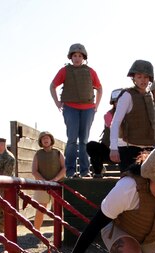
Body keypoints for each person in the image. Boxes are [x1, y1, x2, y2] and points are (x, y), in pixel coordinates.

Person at [49, 43, 103, 178]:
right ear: (71, 57)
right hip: (70, 108)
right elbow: (52, 86)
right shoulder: (65, 71)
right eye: (74, 56)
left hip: (88, 109)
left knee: (84, 140)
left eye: (79, 56)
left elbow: (100, 88)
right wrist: (57, 102)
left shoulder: (90, 71)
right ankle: (70, 171)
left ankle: (85, 171)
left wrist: (97, 104)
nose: (77, 58)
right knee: (72, 139)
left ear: (83, 57)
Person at [109, 59, 155, 173]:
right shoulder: (127, 95)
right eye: (139, 76)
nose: (143, 80)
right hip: (128, 147)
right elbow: (115, 122)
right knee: (129, 184)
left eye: (146, 77)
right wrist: (113, 148)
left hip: (148, 147)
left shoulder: (150, 97)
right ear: (134, 78)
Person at [31, 131, 65, 231]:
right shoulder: (38, 154)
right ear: (40, 141)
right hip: (42, 186)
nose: (45, 140)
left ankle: (61, 232)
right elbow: (34, 171)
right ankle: (36, 231)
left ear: (51, 140)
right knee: (40, 209)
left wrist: (55, 180)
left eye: (47, 138)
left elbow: (64, 168)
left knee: (58, 210)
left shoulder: (58, 152)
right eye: (43, 138)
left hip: (57, 185)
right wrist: (44, 181)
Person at [87, 88, 124, 178]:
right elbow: (113, 127)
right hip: (109, 150)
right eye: (116, 102)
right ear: (113, 103)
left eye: (121, 102)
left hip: (125, 151)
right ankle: (98, 172)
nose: (118, 104)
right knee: (91, 145)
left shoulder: (133, 115)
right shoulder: (109, 115)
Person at [0, 137, 16, 232]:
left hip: (4, 187)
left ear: (1, 145)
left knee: (4, 207)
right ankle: (1, 225)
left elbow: (7, 174)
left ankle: (7, 227)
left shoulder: (9, 157)